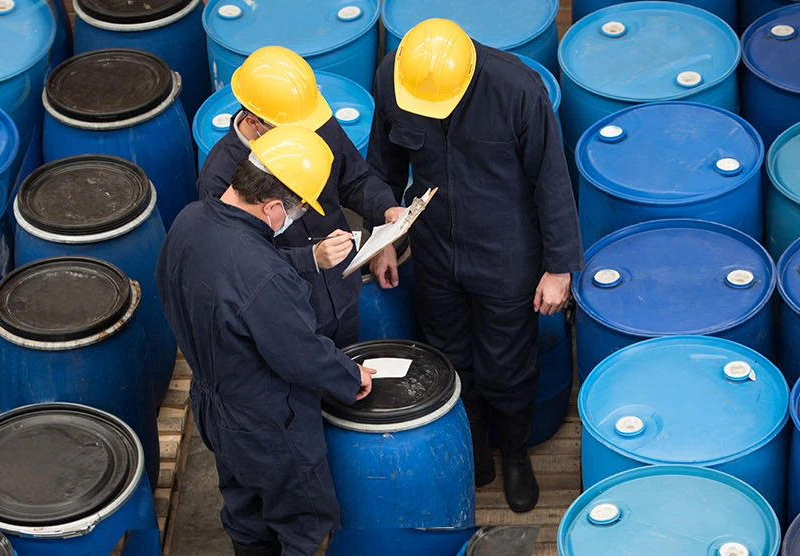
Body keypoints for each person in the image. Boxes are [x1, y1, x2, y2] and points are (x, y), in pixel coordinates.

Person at [366, 19, 581, 513]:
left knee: (508, 362)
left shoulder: (518, 90)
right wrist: (383, 240)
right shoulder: (394, 78)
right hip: (435, 246)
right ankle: (475, 450)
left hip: (507, 251)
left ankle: (514, 457)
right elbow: (384, 165)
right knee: (449, 352)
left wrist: (559, 268)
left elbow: (552, 180)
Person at [159, 126, 379, 556]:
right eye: (295, 212)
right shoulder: (266, 276)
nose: (293, 220)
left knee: (245, 513)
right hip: (270, 425)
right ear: (273, 205)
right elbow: (300, 354)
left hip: (213, 404)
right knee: (304, 524)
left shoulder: (187, 222)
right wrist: (349, 374)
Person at [197, 46, 408, 348]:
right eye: (292, 129)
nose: (305, 137)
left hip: (342, 291)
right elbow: (235, 263)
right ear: (254, 121)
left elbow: (355, 180)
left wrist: (385, 212)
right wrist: (310, 259)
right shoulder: (220, 176)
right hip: (287, 315)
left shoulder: (311, 123)